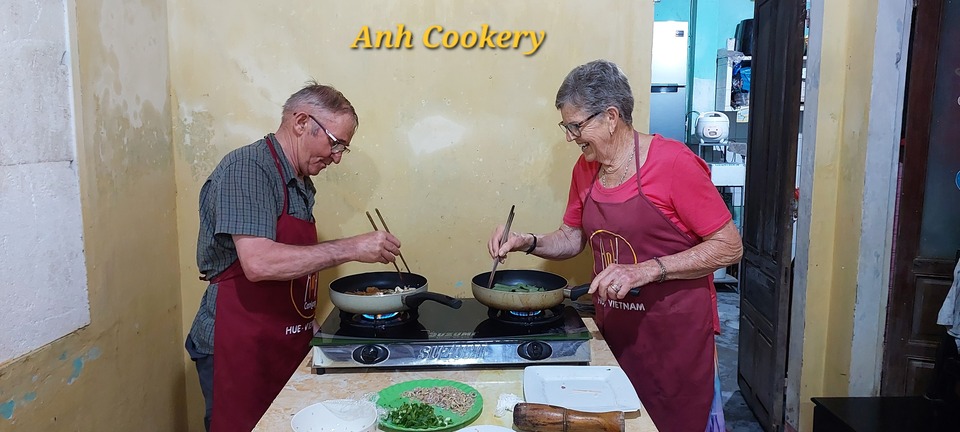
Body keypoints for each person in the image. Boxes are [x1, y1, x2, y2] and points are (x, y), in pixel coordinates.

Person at [488, 60, 743, 432]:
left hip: (673, 339)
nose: (570, 137)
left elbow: (728, 246)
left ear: (611, 116)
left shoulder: (672, 164)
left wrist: (647, 269)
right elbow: (573, 237)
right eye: (567, 126)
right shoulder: (586, 168)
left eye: (576, 126)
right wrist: (526, 242)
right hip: (615, 334)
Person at [185, 82, 402, 432]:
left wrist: (308, 323)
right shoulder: (249, 169)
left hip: (283, 337)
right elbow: (259, 263)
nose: (337, 157)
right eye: (335, 143)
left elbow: (295, 262)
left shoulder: (299, 183)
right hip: (238, 345)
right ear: (301, 122)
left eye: (343, 148)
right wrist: (352, 248)